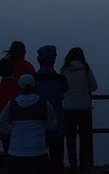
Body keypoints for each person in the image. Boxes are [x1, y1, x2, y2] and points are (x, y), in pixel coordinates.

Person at [0, 74, 57, 174]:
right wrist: (43, 125)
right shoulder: (44, 104)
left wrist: (12, 130)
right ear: (34, 86)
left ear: (19, 87)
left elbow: (1, 123)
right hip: (38, 150)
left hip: (16, 150)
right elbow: (52, 125)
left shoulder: (11, 104)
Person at [61, 48, 98, 173]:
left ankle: (72, 164)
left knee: (70, 138)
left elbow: (62, 88)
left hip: (68, 109)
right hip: (84, 108)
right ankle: (83, 164)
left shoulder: (64, 71)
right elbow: (94, 86)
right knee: (84, 137)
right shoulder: (86, 70)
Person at [33, 45, 69, 174]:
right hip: (57, 125)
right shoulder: (61, 79)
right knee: (57, 161)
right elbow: (64, 92)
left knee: (38, 162)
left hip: (38, 126)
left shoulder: (33, 80)